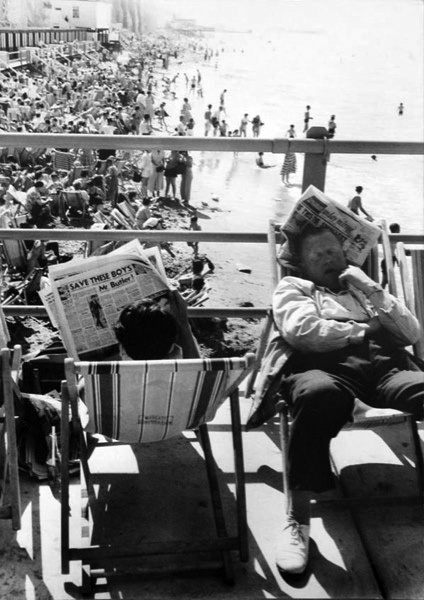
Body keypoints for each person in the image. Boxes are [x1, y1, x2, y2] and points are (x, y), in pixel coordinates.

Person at [247, 225, 424, 575]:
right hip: (323, 367)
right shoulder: (294, 288)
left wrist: (371, 288)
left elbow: (411, 333)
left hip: (385, 367)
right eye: (318, 255)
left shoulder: (364, 289)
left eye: (334, 251)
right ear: (303, 264)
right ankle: (298, 521)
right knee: (319, 396)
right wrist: (363, 329)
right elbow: (304, 333)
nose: (329, 259)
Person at [114, 291, 200, 360]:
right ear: (171, 348)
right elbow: (197, 366)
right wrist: (184, 324)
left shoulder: (109, 374)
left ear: (122, 349)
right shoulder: (186, 375)